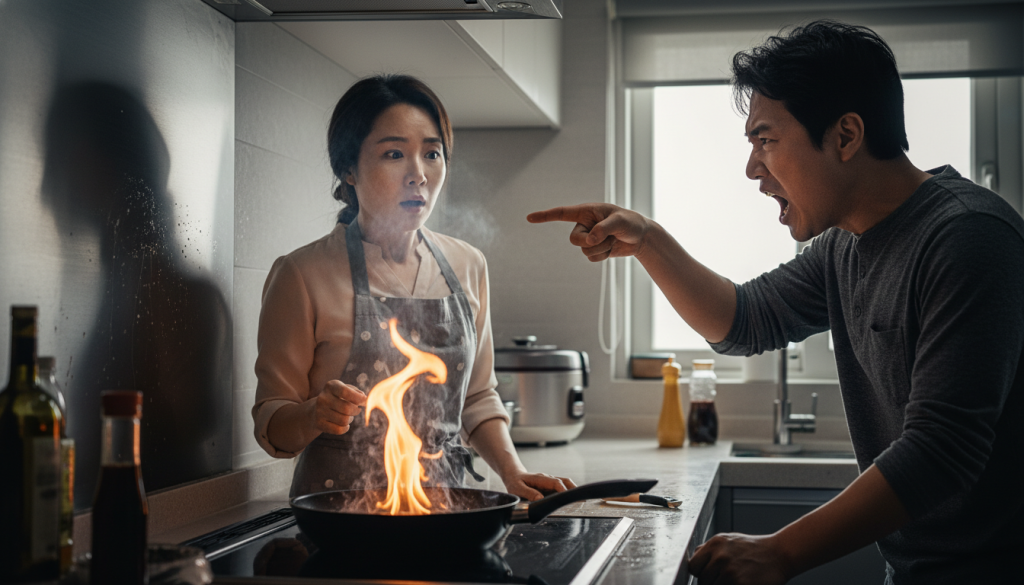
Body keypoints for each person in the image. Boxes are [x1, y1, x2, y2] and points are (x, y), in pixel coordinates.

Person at [528, 20, 1023, 585]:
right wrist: (649, 240)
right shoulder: (846, 245)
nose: (752, 169)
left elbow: (943, 451)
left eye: (766, 141)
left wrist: (782, 551)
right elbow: (745, 320)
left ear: (845, 136)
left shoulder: (968, 237)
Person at [253, 74, 574, 501]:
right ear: (348, 169)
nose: (418, 175)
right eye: (393, 154)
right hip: (338, 524)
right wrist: (313, 415)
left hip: (445, 516)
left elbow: (477, 396)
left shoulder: (468, 265)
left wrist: (514, 473)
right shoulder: (302, 274)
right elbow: (272, 421)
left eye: (432, 153)